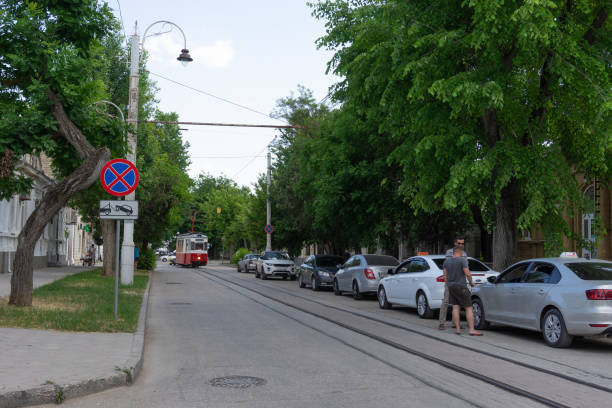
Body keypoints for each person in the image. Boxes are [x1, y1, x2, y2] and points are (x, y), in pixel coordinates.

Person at [443, 246, 482, 336]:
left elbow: (445, 275)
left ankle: (458, 329)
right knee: (469, 308)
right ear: (460, 252)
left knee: (455, 307)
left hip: (451, 286)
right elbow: (467, 273)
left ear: (453, 252)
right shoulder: (462, 260)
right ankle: (472, 330)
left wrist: (448, 285)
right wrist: (471, 282)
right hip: (461, 286)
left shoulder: (446, 261)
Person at [439, 237, 467, 330]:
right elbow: (445, 268)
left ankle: (455, 323)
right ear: (455, 243)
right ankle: (442, 323)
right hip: (450, 281)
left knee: (457, 303)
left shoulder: (464, 254)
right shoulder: (449, 252)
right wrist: (446, 281)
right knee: (446, 301)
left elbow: (465, 268)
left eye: (462, 243)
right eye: (459, 243)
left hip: (460, 282)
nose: (461, 245)